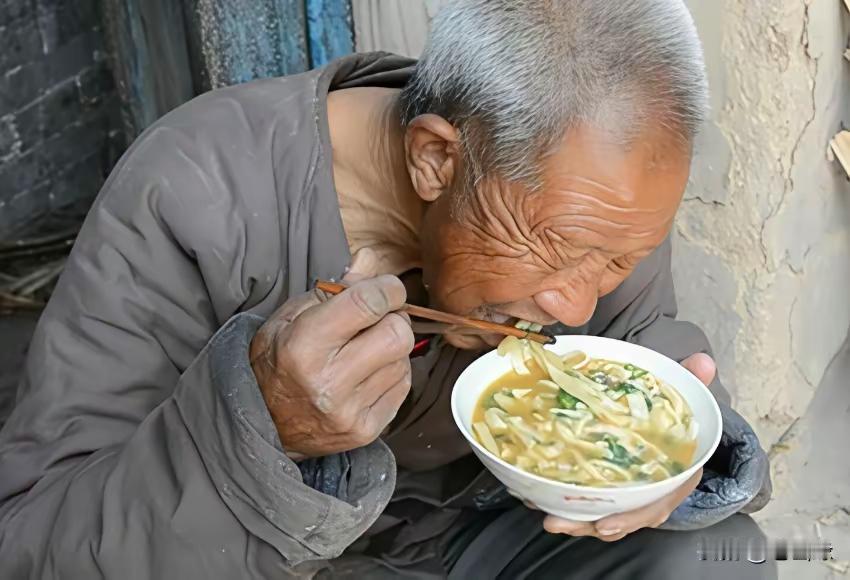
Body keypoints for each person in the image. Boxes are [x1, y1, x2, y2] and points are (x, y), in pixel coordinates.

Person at [0, 1, 773, 578]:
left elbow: (639, 338)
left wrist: (675, 454)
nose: (577, 309)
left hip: (478, 538)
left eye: (615, 262)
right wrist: (260, 431)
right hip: (270, 560)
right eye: (557, 251)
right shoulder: (194, 195)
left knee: (720, 557)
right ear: (436, 159)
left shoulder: (596, 200)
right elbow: (33, 544)